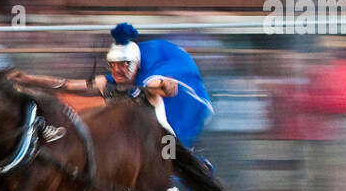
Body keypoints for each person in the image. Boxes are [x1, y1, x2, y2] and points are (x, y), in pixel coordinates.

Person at [11, 22, 214, 148]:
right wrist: (30, 79)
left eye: (124, 67)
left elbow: (166, 86)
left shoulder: (149, 80)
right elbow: (67, 85)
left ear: (135, 65)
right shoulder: (111, 79)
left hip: (173, 97)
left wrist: (165, 85)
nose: (118, 72)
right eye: (114, 67)